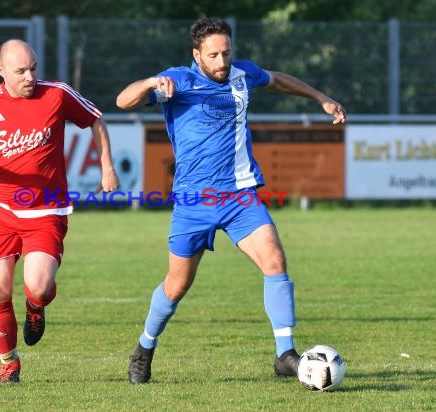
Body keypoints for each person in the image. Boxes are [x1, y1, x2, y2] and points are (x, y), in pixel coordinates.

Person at [116, 17, 346, 384]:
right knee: (176, 286)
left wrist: (321, 98)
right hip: (193, 201)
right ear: (197, 55)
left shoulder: (242, 74)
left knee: (274, 258)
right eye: (213, 55)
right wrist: (148, 83)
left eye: (226, 52)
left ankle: (284, 353)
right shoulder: (178, 81)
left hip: (241, 195)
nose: (222, 61)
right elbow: (123, 100)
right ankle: (145, 347)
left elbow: (278, 79)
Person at [0, 39, 119, 384]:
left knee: (38, 287)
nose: (30, 77)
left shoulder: (57, 94)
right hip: (1, 210)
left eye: (33, 68)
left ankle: (36, 306)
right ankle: (9, 363)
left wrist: (108, 168)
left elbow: (96, 121)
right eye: (21, 71)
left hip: (47, 209)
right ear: (1, 71)